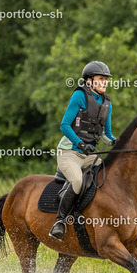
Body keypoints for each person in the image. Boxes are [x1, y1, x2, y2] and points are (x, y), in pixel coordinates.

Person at [48, 61, 117, 241]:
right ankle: (60, 222)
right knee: (78, 181)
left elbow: (106, 134)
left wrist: (115, 141)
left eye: (106, 79)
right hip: (69, 152)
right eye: (101, 79)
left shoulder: (107, 102)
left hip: (89, 155)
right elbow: (64, 125)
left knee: (107, 176)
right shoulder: (79, 95)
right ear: (89, 80)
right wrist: (80, 144)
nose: (104, 82)